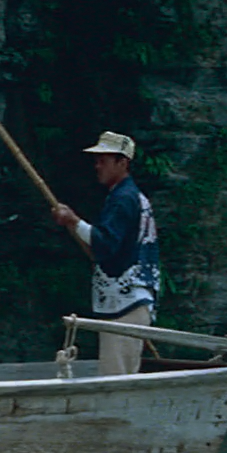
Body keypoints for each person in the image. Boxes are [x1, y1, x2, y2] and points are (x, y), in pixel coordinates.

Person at [52, 131, 160, 375]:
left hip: (127, 304)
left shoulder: (124, 199)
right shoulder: (128, 196)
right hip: (129, 301)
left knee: (116, 375)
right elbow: (108, 249)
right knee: (122, 371)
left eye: (103, 160)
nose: (97, 166)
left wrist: (73, 221)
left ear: (122, 163)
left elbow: (105, 243)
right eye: (97, 160)